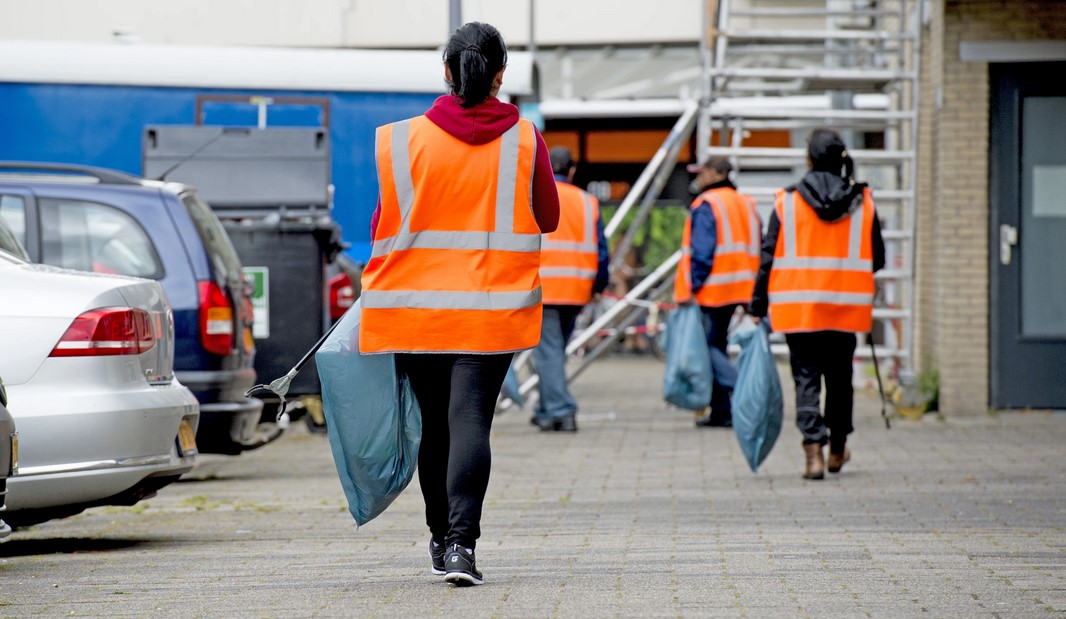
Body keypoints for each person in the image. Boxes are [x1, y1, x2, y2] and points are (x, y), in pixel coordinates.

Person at [359, 22, 560, 586]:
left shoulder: (401, 140)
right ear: (500, 76)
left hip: (415, 308)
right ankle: (461, 547)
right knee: (470, 418)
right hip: (491, 310)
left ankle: (439, 540)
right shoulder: (525, 139)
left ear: (447, 72)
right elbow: (548, 217)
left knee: (435, 430)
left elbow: (380, 225)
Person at [749, 128, 886, 480]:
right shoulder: (862, 200)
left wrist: (757, 305)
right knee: (840, 381)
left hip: (800, 309)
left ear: (808, 160)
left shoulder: (786, 202)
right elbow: (878, 258)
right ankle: (837, 450)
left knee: (806, 380)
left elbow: (768, 258)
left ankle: (813, 454)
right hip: (845, 307)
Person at [674, 156, 761, 428]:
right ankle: (722, 411)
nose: (699, 177)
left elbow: (702, 251)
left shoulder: (707, 205)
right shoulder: (746, 204)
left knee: (708, 346)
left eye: (703, 172)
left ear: (714, 173)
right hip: (744, 287)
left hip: (714, 288)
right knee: (718, 344)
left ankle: (740, 387)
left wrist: (693, 286)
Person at [531, 147, 610, 433]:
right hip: (577, 289)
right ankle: (545, 409)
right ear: (572, 170)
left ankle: (562, 411)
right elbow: (601, 250)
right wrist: (598, 285)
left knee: (548, 353)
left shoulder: (533, 197)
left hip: (544, 289)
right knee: (555, 351)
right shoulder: (588, 202)